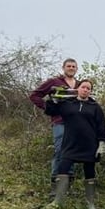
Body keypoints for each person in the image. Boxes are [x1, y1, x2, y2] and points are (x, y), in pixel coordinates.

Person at [44, 79, 105, 209]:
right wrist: (53, 98)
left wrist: (102, 143)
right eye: (83, 87)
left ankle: (90, 203)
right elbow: (50, 110)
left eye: (88, 88)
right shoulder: (68, 104)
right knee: (62, 169)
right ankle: (58, 201)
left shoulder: (95, 107)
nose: (85, 90)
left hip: (89, 145)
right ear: (78, 89)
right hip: (70, 144)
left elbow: (101, 126)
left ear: (90, 91)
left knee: (89, 172)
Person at [29, 58, 79, 196]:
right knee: (60, 152)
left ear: (76, 69)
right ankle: (55, 188)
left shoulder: (79, 85)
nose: (71, 68)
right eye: (68, 66)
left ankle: (67, 187)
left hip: (76, 124)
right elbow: (34, 95)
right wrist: (47, 107)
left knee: (72, 153)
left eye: (73, 66)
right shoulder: (54, 82)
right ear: (63, 68)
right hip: (60, 122)